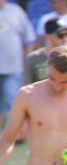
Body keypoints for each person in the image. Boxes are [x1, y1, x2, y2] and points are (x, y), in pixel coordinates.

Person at [0, 0, 36, 131]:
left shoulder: (16, 11)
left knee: (13, 102)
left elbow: (29, 39)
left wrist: (26, 60)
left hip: (13, 67)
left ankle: (15, 133)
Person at [24, 19, 67, 85]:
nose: (65, 38)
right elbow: (27, 85)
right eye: (60, 35)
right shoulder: (33, 58)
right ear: (47, 36)